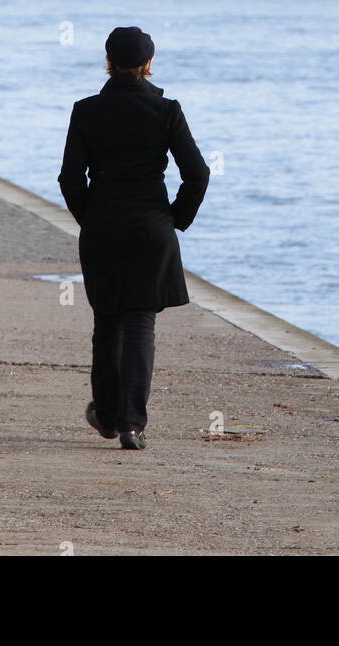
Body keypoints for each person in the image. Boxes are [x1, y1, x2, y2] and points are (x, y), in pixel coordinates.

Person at [58, 26, 210, 451]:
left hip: (104, 225)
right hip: (150, 227)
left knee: (107, 321)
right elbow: (198, 174)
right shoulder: (167, 111)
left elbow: (70, 178)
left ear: (108, 62)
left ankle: (106, 416)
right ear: (149, 65)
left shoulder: (85, 110)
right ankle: (131, 425)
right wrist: (174, 219)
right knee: (141, 323)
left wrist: (91, 218)